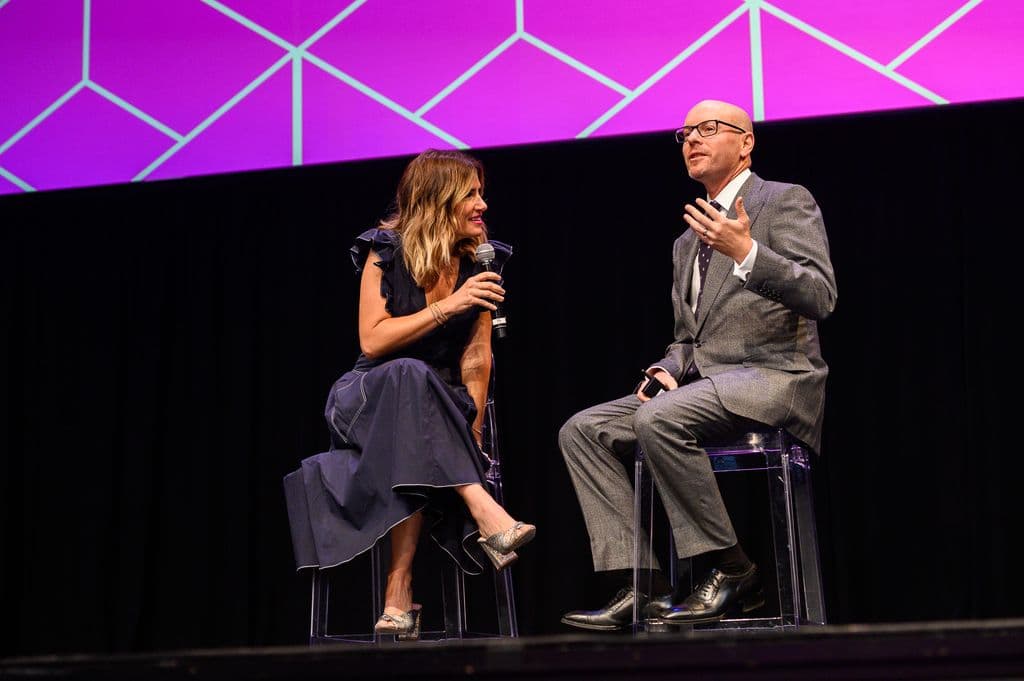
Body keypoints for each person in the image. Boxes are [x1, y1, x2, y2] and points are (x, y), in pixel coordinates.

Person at [558, 100, 837, 630]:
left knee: (657, 419)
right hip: (706, 383)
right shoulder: (687, 241)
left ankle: (731, 569)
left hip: (776, 376)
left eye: (708, 129)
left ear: (746, 142)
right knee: (584, 430)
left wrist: (748, 251)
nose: (692, 139)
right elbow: (690, 338)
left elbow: (820, 296)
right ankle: (641, 584)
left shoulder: (783, 201)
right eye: (685, 132)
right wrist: (668, 366)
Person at [312, 149, 535, 640]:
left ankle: (399, 593)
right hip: (365, 395)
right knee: (408, 376)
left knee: (415, 425)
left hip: (435, 409)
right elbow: (372, 340)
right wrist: (450, 305)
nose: (483, 205)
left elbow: (477, 358)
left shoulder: (481, 258)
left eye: (481, 192)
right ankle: (482, 508)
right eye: (470, 195)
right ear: (437, 200)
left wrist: (472, 435)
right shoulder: (383, 249)